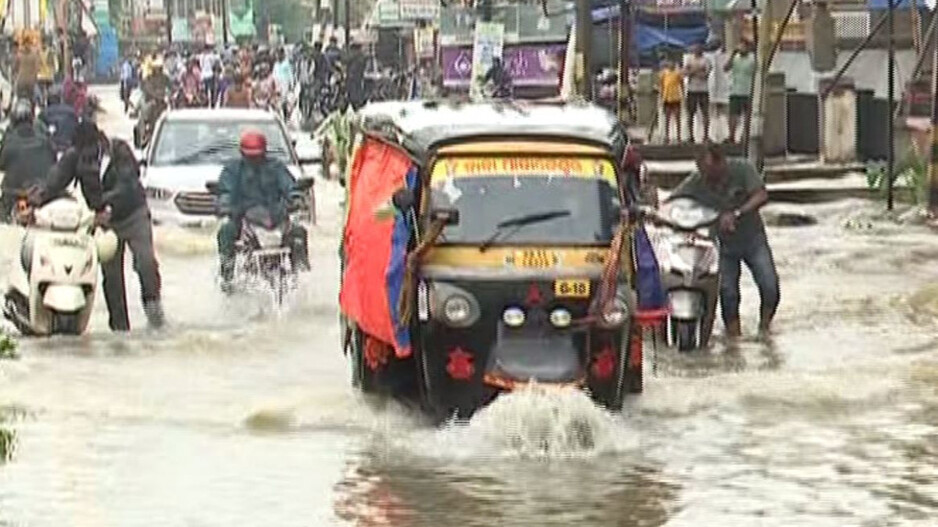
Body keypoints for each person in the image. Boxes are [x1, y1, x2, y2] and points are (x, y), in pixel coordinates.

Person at [671, 143, 779, 337]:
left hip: (752, 239)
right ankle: (734, 340)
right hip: (722, 245)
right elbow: (673, 203)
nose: (708, 180)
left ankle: (765, 329)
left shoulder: (742, 168)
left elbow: (761, 195)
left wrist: (736, 213)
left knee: (769, 285)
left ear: (721, 163)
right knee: (727, 294)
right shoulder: (697, 181)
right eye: (703, 174)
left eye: (711, 174)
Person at [216, 130, 309, 292]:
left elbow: (289, 185)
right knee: (225, 231)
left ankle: (300, 275)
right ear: (242, 153)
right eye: (250, 156)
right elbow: (226, 190)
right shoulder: (233, 169)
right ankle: (227, 277)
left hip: (275, 216)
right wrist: (224, 205)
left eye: (257, 156)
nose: (254, 160)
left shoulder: (276, 167)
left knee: (299, 232)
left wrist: (296, 197)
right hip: (244, 215)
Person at [100, 139, 165, 330]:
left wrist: (102, 200)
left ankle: (155, 317)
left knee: (146, 263)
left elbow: (126, 186)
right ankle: (119, 328)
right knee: (111, 276)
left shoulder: (122, 156)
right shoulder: (79, 159)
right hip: (107, 223)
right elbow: (60, 177)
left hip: (134, 216)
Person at [0, 99, 55, 221]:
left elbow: (2, 165)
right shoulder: (44, 140)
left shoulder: (9, 141)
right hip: (43, 190)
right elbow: (54, 161)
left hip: (17, 191)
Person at [725, 40, 755, 144]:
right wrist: (732, 55)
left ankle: (745, 136)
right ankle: (731, 136)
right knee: (732, 114)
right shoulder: (735, 58)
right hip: (735, 90)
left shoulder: (753, 58)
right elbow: (726, 68)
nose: (741, 48)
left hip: (748, 91)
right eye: (739, 46)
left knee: (747, 115)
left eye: (743, 46)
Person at [683, 44, 712, 143]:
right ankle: (690, 136)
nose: (696, 51)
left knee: (705, 113)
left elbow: (705, 75)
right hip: (692, 89)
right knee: (690, 114)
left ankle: (706, 135)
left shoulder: (706, 60)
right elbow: (685, 73)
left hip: (703, 89)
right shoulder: (689, 59)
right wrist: (697, 70)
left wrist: (693, 71)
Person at [39, 85, 79, 155]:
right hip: (69, 146)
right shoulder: (71, 111)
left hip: (52, 148)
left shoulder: (44, 113)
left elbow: (39, 131)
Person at [707, 40, 730, 143]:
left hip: (724, 87)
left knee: (722, 113)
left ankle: (722, 134)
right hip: (713, 87)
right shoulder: (710, 57)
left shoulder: (728, 57)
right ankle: (714, 134)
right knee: (714, 113)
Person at [658, 59, 684, 144]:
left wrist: (683, 95)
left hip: (676, 97)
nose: (671, 66)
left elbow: (682, 84)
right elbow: (661, 86)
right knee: (667, 118)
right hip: (667, 98)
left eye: (672, 65)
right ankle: (667, 136)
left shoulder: (677, 74)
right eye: (669, 65)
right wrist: (661, 97)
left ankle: (679, 136)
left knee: (677, 118)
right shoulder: (664, 74)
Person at [344, 42, 367, 110]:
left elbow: (352, 66)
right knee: (354, 93)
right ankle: (355, 104)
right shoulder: (361, 57)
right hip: (356, 78)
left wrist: (350, 74)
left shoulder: (357, 57)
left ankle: (355, 105)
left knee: (353, 94)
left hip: (354, 78)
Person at [272, 48, 294, 117]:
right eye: (277, 54)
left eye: (279, 54)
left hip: (285, 83)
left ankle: (285, 114)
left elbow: (290, 74)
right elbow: (274, 74)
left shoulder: (286, 63)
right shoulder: (276, 64)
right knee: (277, 99)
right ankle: (278, 114)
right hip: (277, 83)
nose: (278, 56)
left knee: (284, 99)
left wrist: (291, 84)